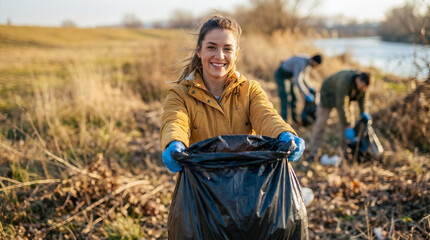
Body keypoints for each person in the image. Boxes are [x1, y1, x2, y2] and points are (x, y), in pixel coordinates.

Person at [159, 15, 306, 173]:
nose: (219, 56)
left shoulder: (250, 91)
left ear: (236, 55)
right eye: (211, 47)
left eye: (227, 49)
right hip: (200, 186)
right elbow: (175, 122)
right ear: (199, 51)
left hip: (246, 185)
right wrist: (174, 143)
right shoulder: (180, 94)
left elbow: (266, 116)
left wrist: (284, 134)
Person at [309, 70, 372, 161]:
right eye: (363, 86)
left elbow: (363, 99)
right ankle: (314, 153)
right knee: (321, 124)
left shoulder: (364, 85)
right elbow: (341, 104)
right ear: (358, 79)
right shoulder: (344, 81)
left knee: (349, 124)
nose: (364, 89)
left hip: (345, 98)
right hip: (328, 96)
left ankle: (344, 152)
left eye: (365, 87)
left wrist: (364, 113)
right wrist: (347, 124)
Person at [275, 54, 322, 123]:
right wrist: (306, 93)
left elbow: (304, 78)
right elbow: (298, 80)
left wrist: (310, 87)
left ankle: (295, 119)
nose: (316, 67)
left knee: (294, 97)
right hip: (282, 75)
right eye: (316, 65)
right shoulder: (301, 63)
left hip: (291, 76)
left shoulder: (308, 65)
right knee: (285, 96)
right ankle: (283, 120)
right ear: (314, 62)